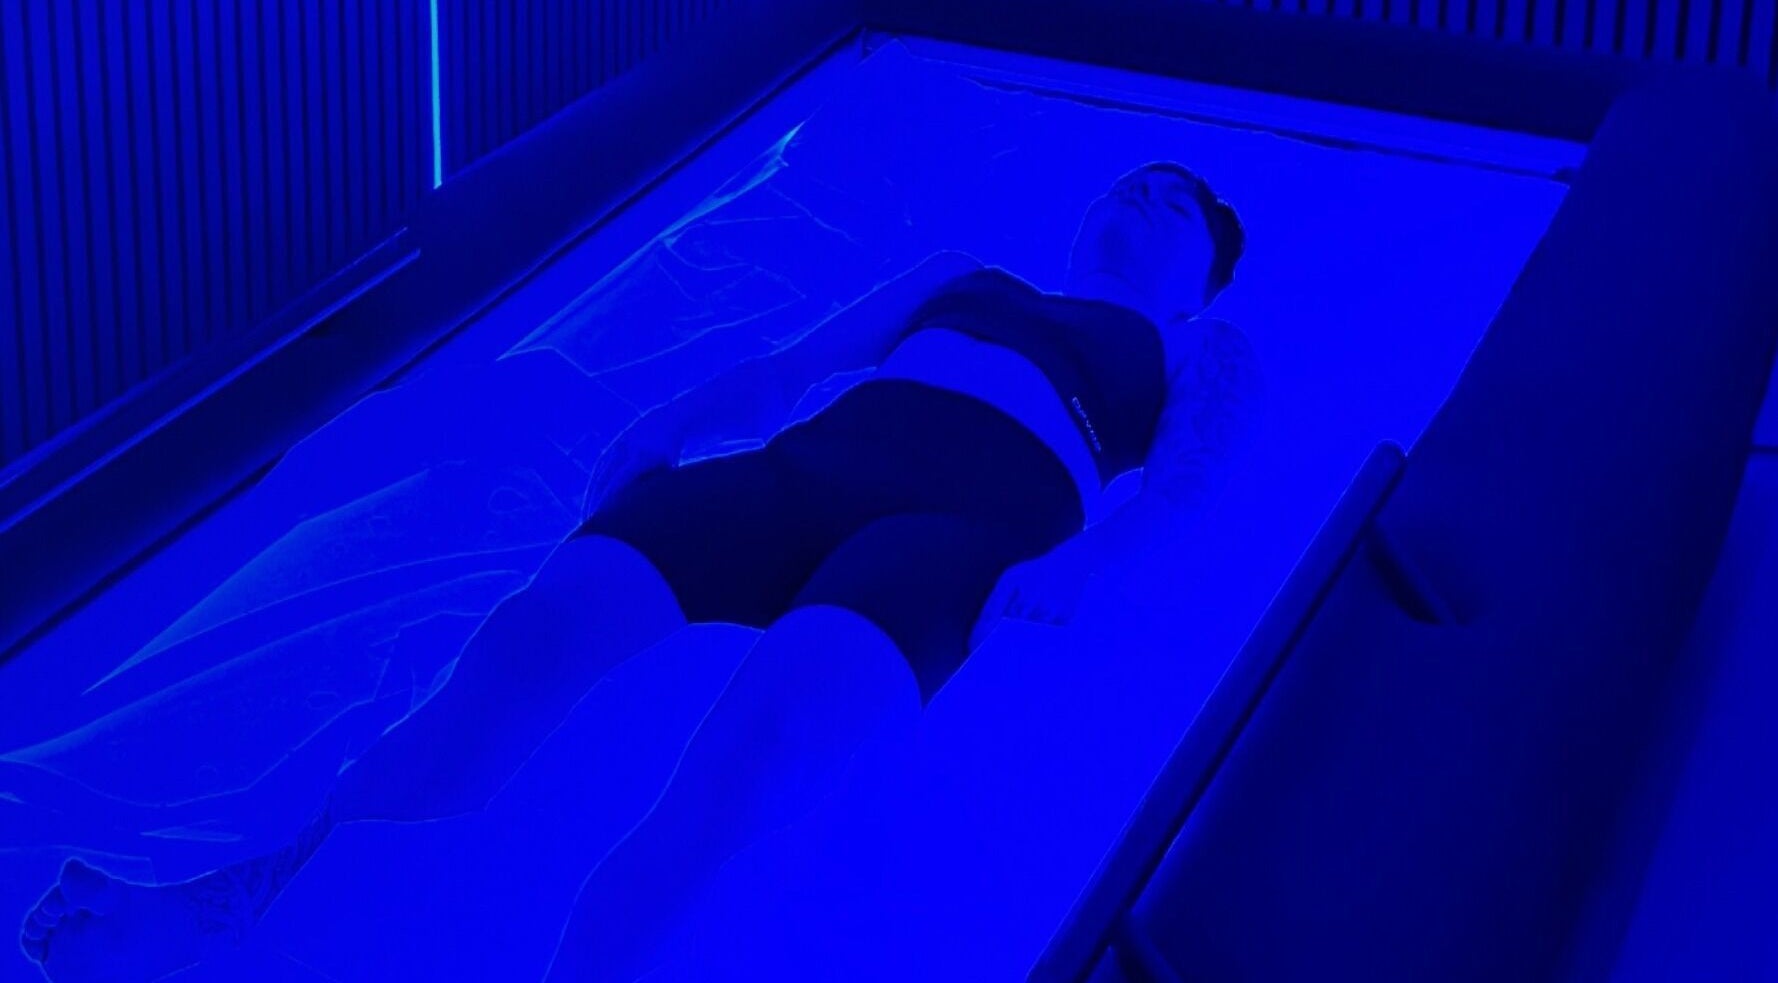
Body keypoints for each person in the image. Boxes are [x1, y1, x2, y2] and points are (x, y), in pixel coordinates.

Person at [20, 162, 1263, 982]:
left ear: (1200, 274)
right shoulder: (960, 278)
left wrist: (1090, 560)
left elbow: (1184, 486)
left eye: (1171, 203)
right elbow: (792, 367)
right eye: (1129, 183)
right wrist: (672, 416)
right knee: (519, 645)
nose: (1138, 196)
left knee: (755, 755)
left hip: (963, 529)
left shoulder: (1197, 348)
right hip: (802, 467)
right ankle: (240, 900)